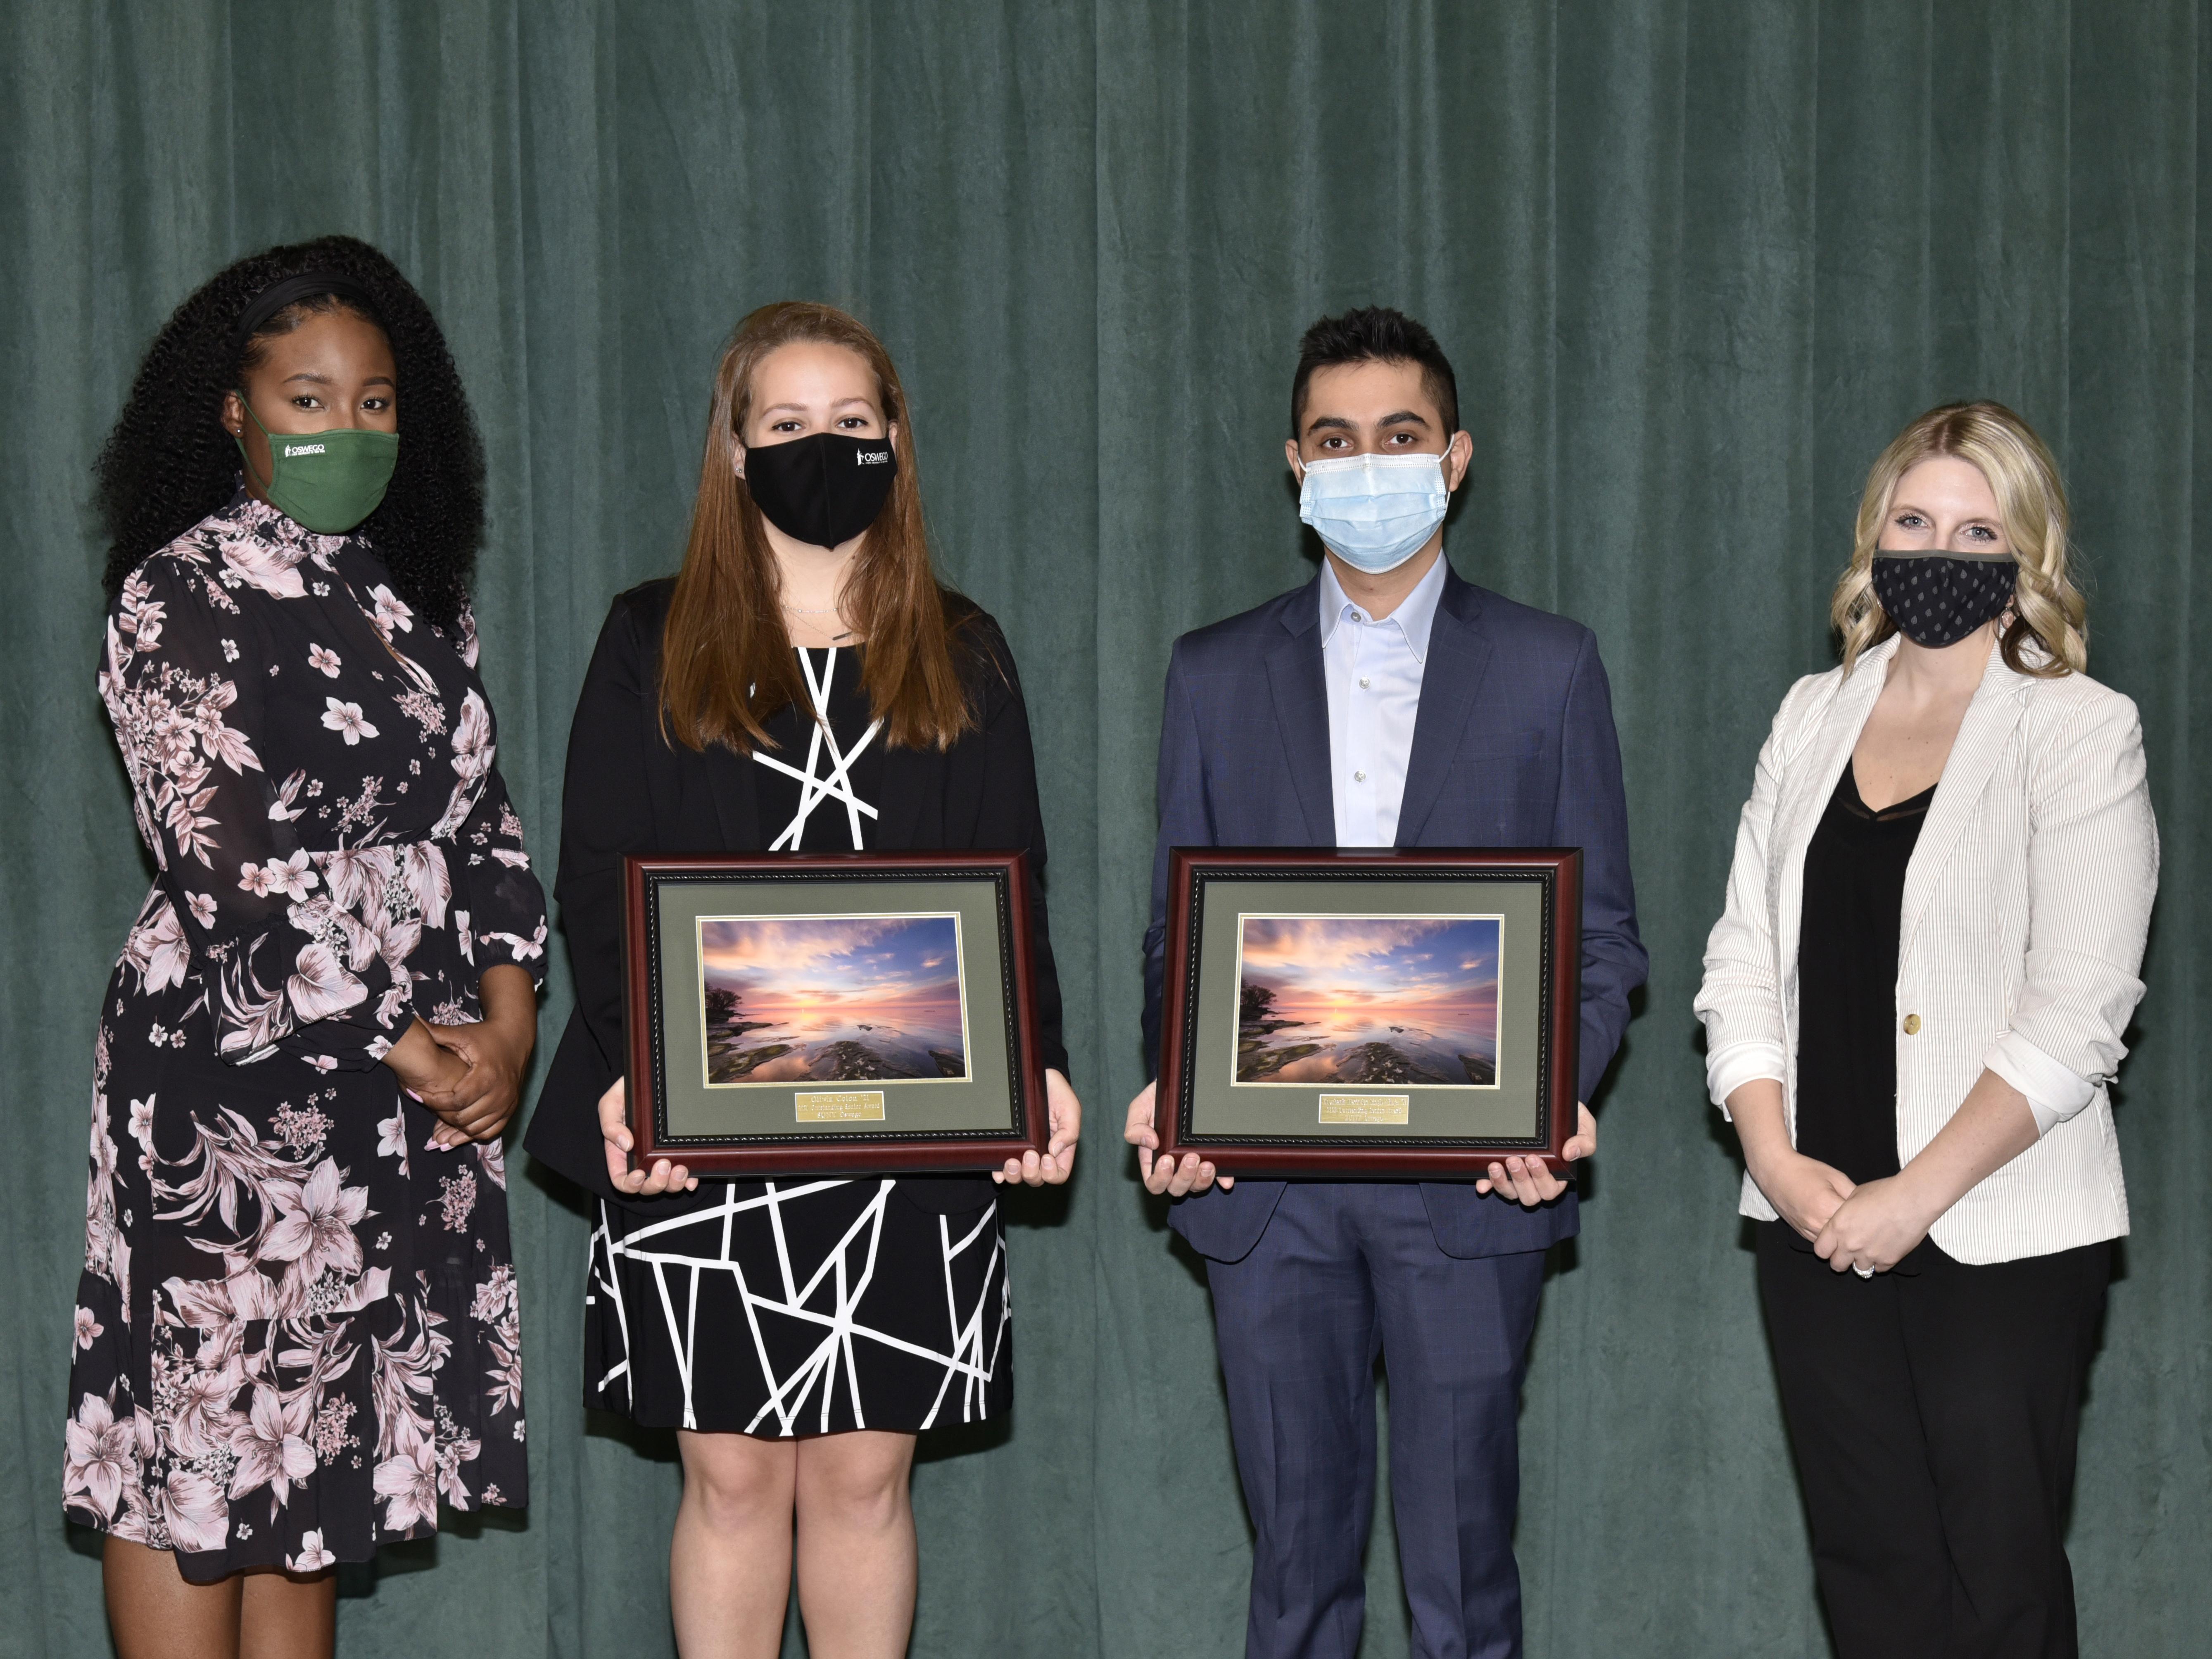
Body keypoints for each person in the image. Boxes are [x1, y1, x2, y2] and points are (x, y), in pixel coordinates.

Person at [524, 301, 1081, 1659]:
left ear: (896, 441)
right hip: (690, 1138)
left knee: (861, 1480)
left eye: (850, 422)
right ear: (731, 450)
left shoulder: (967, 646)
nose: (819, 446)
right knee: (726, 1483)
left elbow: (1013, 885)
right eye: (785, 424)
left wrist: (1038, 1068)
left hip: (917, 1130)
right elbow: (597, 879)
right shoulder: (647, 637)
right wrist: (632, 1076)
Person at [1123, 307, 1645, 1659]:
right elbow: (1181, 944)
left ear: (1454, 458)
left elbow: (1601, 949)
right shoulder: (1211, 672)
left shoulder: (1549, 667)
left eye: (1399, 438)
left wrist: (1546, 1101)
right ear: (1294, 464)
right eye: (1336, 440)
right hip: (1264, 1198)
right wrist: (1180, 1103)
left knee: (1463, 1578)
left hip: (1472, 1196)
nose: (1369, 465)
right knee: (1294, 1578)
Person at [68, 235, 545, 1659]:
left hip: (409, 1088)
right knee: (200, 1447)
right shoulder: (176, 594)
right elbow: (227, 872)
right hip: (236, 1068)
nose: (348, 428)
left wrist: (507, 1030)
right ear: (235, 410)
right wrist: (406, 1042)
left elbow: (486, 832)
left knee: (312, 1442)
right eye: (310, 399)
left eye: (377, 401)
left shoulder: (419, 605)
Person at [1695, 402, 2155, 1658]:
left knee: (1995, 1585)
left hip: (1995, 1230)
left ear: (2026, 561)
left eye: (1974, 528)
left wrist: (1914, 1198)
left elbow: (2081, 1011)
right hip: (1812, 1217)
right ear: (1872, 539)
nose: (1938, 551)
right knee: (1867, 1576)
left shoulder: (2079, 729)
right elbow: (1739, 957)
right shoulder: (1808, 715)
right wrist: (1777, 1164)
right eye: (1913, 520)